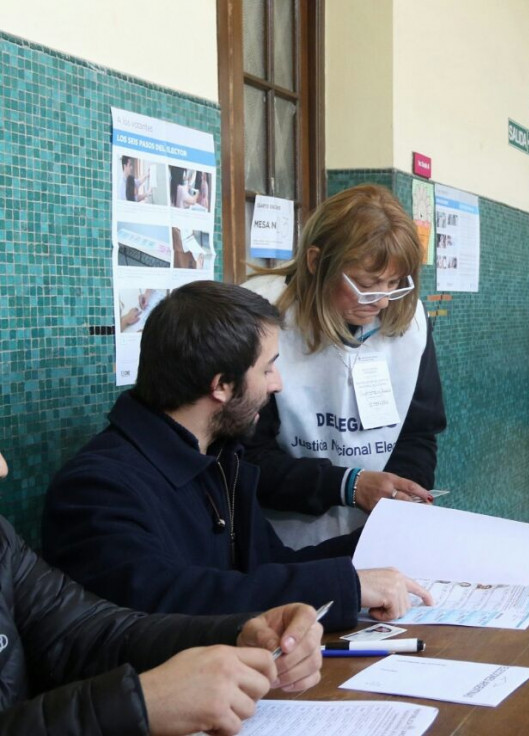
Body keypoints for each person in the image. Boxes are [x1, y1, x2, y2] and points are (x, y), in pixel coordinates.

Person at [42, 281, 433, 632]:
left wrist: (383, 540)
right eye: (268, 370)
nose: (278, 385)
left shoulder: (219, 460)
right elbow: (172, 602)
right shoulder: (96, 488)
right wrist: (347, 586)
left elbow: (269, 568)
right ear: (222, 386)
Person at [0, 448, 325, 734]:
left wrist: (239, 635)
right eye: (266, 372)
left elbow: (86, 633)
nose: (3, 468)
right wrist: (138, 705)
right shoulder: (99, 481)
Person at [243, 184, 447, 549]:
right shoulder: (261, 314)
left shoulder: (408, 320)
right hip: (281, 539)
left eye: (395, 283)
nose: (383, 301)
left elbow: (418, 432)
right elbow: (246, 457)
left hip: (374, 535)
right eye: (367, 285)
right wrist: (346, 485)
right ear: (316, 262)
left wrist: (402, 494)